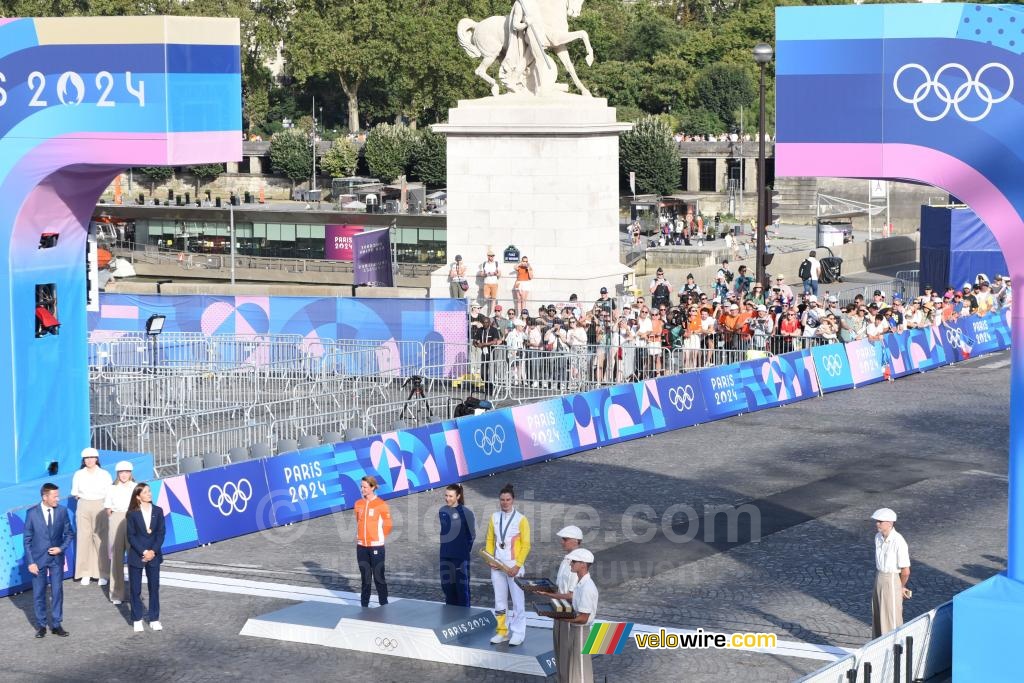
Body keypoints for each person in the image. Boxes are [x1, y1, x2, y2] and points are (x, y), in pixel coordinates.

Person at [24, 482, 74, 638]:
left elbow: (69, 534)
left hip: (56, 559)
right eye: (55, 496)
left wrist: (61, 548)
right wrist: (31, 562)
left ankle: (57, 624)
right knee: (39, 593)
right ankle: (41, 626)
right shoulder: (32, 513)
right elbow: (27, 539)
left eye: (58, 496)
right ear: (44, 497)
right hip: (38, 560)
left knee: (57, 591)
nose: (58, 499)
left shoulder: (62, 511)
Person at [486, 483, 531, 646]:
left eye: (508, 499)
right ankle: (502, 631)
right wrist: (490, 559)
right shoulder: (494, 517)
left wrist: (517, 566)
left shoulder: (521, 520)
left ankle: (518, 632)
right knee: (499, 601)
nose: (505, 502)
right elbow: (490, 540)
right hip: (497, 566)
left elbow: (526, 545)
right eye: (502, 500)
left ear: (513, 500)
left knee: (518, 601)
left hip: (514, 566)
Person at [535, 526, 583, 673]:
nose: (562, 542)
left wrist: (548, 595)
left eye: (565, 539)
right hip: (560, 610)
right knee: (559, 651)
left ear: (575, 541)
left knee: (567, 655)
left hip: (570, 614)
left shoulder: (578, 562)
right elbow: (560, 587)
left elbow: (571, 595)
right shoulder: (566, 560)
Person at [126, 482, 165, 632]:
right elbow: (131, 536)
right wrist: (144, 552)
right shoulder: (132, 514)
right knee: (135, 589)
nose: (149, 494)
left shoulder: (158, 511)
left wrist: (152, 552)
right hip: (137, 555)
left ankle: (154, 618)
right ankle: (137, 619)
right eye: (146, 492)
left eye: (149, 491)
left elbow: (161, 533)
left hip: (154, 555)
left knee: (154, 588)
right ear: (138, 497)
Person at [71, 447, 112, 586]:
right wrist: (84, 501)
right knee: (84, 538)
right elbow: (75, 493)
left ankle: (103, 573)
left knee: (101, 539)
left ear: (96, 459)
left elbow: (109, 493)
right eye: (86, 458)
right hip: (83, 504)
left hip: (100, 504)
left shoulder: (104, 474)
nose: (89, 460)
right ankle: (85, 572)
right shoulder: (78, 474)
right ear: (83, 460)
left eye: (91, 457)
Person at [560, 548, 599, 683]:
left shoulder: (587, 587)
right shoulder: (581, 583)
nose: (571, 564)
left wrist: (560, 617)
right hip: (576, 629)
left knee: (581, 669)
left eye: (574, 561)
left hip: (581, 630)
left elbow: (583, 618)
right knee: (576, 666)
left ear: (583, 564)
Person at [870, 507, 911, 637]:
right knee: (877, 613)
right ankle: (877, 644)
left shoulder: (899, 541)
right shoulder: (878, 537)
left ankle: (895, 649)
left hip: (892, 579)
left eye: (880, 521)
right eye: (877, 521)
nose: (877, 524)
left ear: (890, 523)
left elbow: (906, 571)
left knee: (891, 616)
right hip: (879, 577)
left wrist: (901, 586)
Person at [354, 475, 393, 608]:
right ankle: (364, 605)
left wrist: (378, 538)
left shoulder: (381, 504)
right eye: (361, 486)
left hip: (376, 547)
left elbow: (388, 525)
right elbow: (358, 521)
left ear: (372, 487)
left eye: (364, 487)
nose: (362, 489)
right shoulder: (358, 504)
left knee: (378, 577)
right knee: (365, 578)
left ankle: (384, 604)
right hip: (361, 547)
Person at [103, 461, 136, 605]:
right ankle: (116, 594)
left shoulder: (136, 487)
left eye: (127, 472)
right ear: (117, 474)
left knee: (134, 556)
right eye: (121, 472)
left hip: (133, 517)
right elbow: (108, 509)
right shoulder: (111, 488)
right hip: (116, 518)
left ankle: (135, 593)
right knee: (116, 557)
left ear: (131, 473)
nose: (124, 475)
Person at [439, 484, 476, 607]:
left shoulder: (467, 513)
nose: (447, 498)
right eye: (446, 495)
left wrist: (463, 551)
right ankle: (450, 617)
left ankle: (465, 618)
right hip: (445, 557)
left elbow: (472, 536)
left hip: (460, 559)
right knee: (447, 588)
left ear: (458, 496)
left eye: (450, 496)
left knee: (462, 590)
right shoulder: (442, 511)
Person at [480, 248, 501, 315]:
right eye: (490, 256)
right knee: (486, 297)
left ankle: (491, 313)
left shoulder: (496, 263)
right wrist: (487, 274)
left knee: (493, 298)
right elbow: (481, 274)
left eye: (492, 256)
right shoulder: (484, 263)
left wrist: (494, 273)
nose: (491, 257)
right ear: (488, 256)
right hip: (486, 283)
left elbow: (499, 273)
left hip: (494, 283)